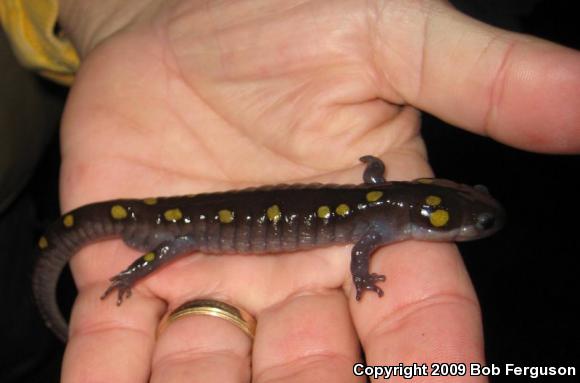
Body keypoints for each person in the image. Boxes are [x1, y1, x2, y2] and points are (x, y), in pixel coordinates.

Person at [42, 0, 580, 381]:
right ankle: (120, 276)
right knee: (172, 242)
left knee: (175, 239)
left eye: (475, 215)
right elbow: (361, 252)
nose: (477, 220)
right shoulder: (380, 219)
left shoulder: (385, 201)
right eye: (473, 217)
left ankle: (116, 277)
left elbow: (373, 191)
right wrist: (363, 273)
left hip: (187, 218)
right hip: (183, 227)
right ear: (432, 208)